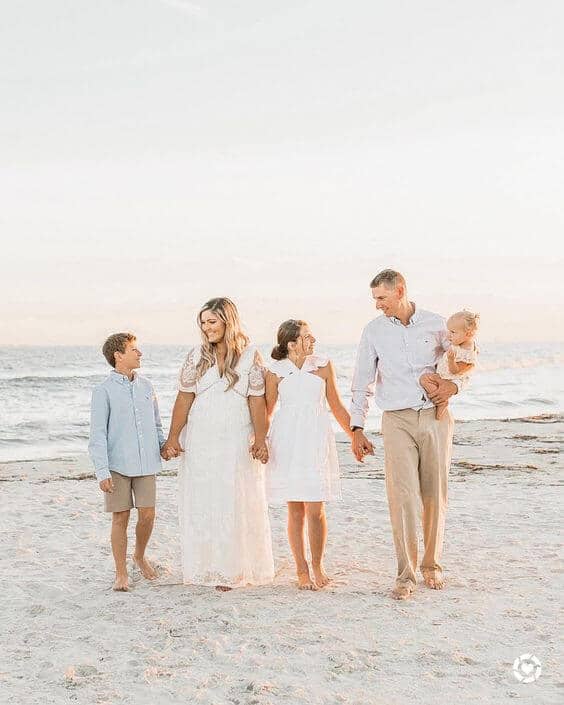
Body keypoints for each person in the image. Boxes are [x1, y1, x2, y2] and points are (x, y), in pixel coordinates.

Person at [350, 270, 465, 600]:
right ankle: (406, 575)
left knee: (434, 493)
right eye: (375, 299)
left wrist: (454, 386)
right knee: (402, 497)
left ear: (400, 291)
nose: (377, 305)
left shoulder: (436, 324)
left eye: (382, 298)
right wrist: (357, 428)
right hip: (396, 420)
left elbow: (464, 358)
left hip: (436, 417)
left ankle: (432, 564)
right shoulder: (372, 331)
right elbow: (361, 382)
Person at [162, 298, 274, 590]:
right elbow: (184, 397)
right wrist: (174, 436)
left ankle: (233, 570)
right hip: (201, 436)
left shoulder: (250, 356)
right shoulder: (196, 356)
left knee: (233, 497)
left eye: (212, 321)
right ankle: (205, 568)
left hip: (235, 435)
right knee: (203, 499)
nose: (206, 327)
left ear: (228, 321)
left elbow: (257, 403)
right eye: (203, 322)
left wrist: (260, 439)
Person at [265, 319, 351, 590]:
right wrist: (259, 441)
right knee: (295, 509)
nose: (313, 340)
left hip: (315, 438)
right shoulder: (275, 371)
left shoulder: (322, 365)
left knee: (316, 507)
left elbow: (335, 405)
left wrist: (355, 434)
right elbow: (267, 411)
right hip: (287, 440)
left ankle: (317, 564)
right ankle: (301, 569)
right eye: (307, 336)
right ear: (291, 343)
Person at [88, 332, 167, 591]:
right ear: (118, 355)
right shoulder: (103, 391)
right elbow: (97, 434)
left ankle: (139, 556)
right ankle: (121, 573)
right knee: (120, 517)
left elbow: (156, 424)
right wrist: (102, 471)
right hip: (117, 465)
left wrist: (163, 447)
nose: (140, 352)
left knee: (148, 514)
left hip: (147, 463)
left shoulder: (147, 387)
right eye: (134, 349)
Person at [420, 310, 479, 419]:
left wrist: (451, 360)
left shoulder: (467, 353)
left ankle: (441, 401)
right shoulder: (460, 345)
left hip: (447, 379)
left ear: (468, 333)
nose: (448, 336)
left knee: (424, 379)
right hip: (444, 376)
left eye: (453, 332)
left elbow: (456, 371)